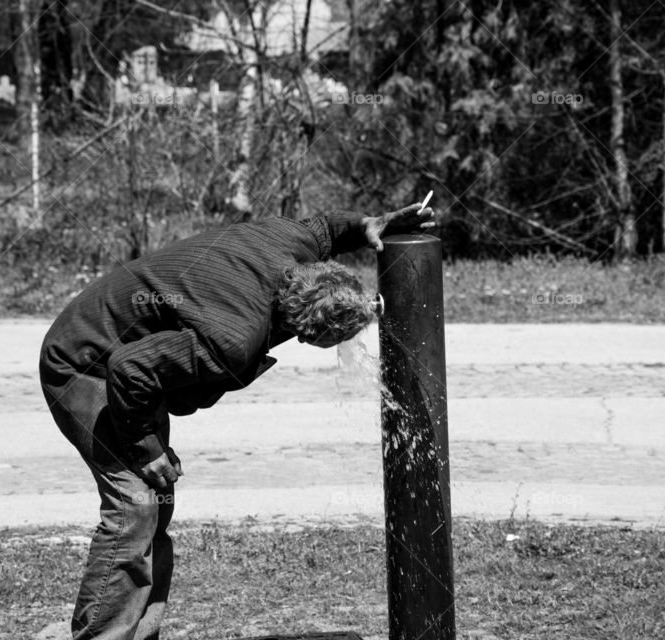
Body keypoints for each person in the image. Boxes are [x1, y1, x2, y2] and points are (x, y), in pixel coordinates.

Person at [39, 202, 435, 640]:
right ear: (308, 334)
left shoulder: (292, 242)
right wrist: (146, 448)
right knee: (135, 504)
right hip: (84, 363)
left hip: (126, 360)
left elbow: (325, 227)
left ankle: (136, 633)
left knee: (157, 502)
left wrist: (363, 227)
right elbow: (129, 368)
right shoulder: (234, 337)